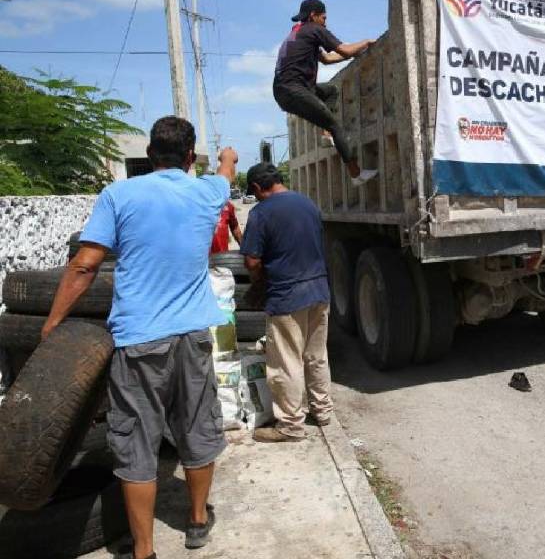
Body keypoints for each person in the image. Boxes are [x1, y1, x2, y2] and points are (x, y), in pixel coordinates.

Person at [42, 116, 237, 559]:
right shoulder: (207, 191)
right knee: (197, 428)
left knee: (137, 440)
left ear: (149, 155)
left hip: (139, 340)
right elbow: (225, 173)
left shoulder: (118, 194)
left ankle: (144, 550)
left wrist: (53, 322)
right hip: (192, 336)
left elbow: (85, 264)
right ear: (190, 158)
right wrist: (227, 157)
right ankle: (197, 521)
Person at [240, 162, 334, 442]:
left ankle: (291, 426)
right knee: (316, 355)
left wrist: (258, 282)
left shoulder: (261, 212)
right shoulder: (308, 203)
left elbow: (252, 260)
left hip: (286, 295)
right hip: (319, 290)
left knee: (286, 362)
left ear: (257, 188)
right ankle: (323, 411)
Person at [273, 0, 377, 187]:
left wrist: (354, 53)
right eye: (324, 17)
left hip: (286, 90)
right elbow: (344, 50)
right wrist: (366, 42)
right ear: (314, 15)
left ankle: (325, 134)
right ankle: (356, 174)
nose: (326, 22)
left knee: (330, 91)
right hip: (293, 89)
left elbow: (327, 59)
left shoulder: (298, 33)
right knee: (335, 124)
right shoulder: (315, 29)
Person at [210, 148, 242, 254]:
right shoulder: (196, 203)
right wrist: (228, 157)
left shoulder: (227, 206)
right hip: (202, 261)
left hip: (221, 260)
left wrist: (244, 248)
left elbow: (235, 229)